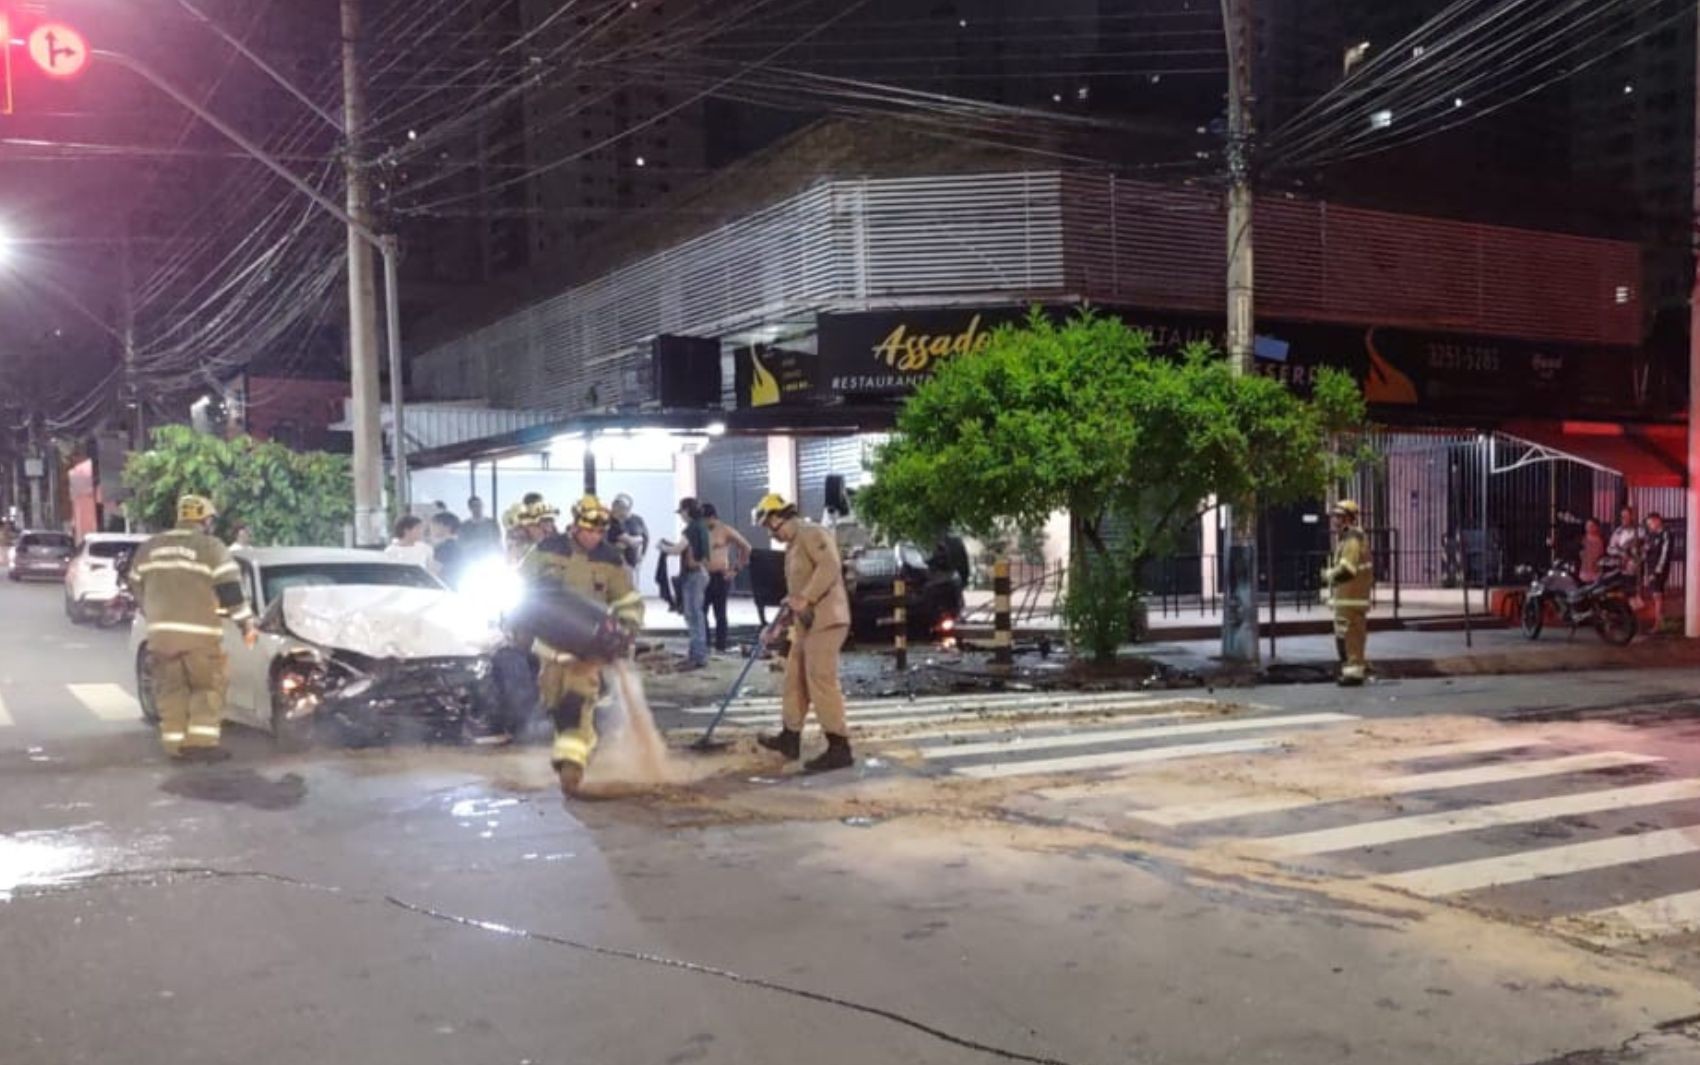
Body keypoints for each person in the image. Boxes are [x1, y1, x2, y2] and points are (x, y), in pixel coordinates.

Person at [514, 497, 644, 797]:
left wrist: (627, 629)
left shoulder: (610, 559)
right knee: (554, 701)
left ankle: (572, 765)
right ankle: (578, 745)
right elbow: (520, 586)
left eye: (600, 532)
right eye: (589, 531)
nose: (594, 537)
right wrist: (518, 621)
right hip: (550, 644)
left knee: (578, 702)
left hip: (588, 646)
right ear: (575, 525)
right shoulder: (546, 551)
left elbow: (628, 601)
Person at [129, 495, 257, 762]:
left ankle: (175, 746)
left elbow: (135, 585)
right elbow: (230, 591)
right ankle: (201, 743)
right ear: (206, 520)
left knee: (170, 690)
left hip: (161, 639)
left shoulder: (150, 547)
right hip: (200, 638)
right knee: (207, 688)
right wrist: (246, 623)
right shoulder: (211, 547)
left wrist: (152, 613)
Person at [752, 493, 854, 772]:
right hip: (807, 623)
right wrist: (776, 628)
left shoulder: (812, 533)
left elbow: (830, 566)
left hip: (828, 620)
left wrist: (806, 597)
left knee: (820, 678)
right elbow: (795, 598)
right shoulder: (793, 547)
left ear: (778, 517)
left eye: (770, 527)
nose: (773, 535)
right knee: (794, 676)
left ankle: (839, 746)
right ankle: (790, 737)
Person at [1322, 500, 1372, 687]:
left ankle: (1354, 673)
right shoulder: (1347, 537)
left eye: (1339, 516)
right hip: (1347, 598)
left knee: (1351, 636)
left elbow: (1347, 569)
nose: (1335, 520)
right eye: (1335, 516)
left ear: (1348, 518)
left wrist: (1328, 576)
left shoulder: (1353, 538)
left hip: (1353, 598)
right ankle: (1350, 670)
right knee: (1345, 635)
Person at [661, 498, 711, 669]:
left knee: (693, 616)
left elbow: (677, 550)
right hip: (701, 573)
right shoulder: (702, 526)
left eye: (682, 512)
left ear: (687, 511)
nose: (681, 515)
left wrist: (662, 547)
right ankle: (696, 653)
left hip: (694, 575)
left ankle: (698, 656)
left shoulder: (691, 528)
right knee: (696, 615)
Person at [702, 503, 753, 653]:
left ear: (711, 517)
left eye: (704, 519)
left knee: (720, 613)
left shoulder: (724, 530)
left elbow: (746, 547)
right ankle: (704, 646)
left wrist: (735, 569)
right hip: (702, 577)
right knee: (701, 612)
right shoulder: (699, 531)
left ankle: (721, 646)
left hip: (719, 576)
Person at [1643, 511, 1672, 632]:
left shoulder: (1666, 534)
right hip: (1650, 567)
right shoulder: (1651, 535)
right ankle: (1660, 619)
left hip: (1658, 569)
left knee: (1657, 594)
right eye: (1648, 524)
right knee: (1655, 594)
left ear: (1657, 520)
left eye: (1650, 523)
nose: (1649, 526)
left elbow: (1665, 554)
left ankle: (1658, 624)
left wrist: (1657, 571)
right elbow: (1647, 550)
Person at [609, 493, 650, 572]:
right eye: (615, 505)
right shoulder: (613, 522)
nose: (616, 509)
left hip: (633, 565)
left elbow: (646, 537)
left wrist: (642, 555)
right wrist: (639, 539)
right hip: (616, 566)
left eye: (620, 506)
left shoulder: (638, 520)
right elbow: (630, 542)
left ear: (627, 508)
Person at [1609, 506, 1644, 579]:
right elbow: (1610, 549)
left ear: (1632, 517)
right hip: (1621, 567)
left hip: (1636, 568)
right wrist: (1620, 553)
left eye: (1626, 516)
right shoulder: (1618, 532)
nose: (1624, 519)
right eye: (1622, 516)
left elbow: (1645, 547)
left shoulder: (1640, 531)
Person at [431, 512, 466, 586]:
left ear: (446, 527)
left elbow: (432, 572)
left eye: (434, 525)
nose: (431, 528)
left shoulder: (445, 547)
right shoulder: (459, 546)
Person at [1579, 518, 1607, 583]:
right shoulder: (1583, 540)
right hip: (1584, 570)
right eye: (1587, 526)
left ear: (1596, 527)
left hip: (1596, 572)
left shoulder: (1601, 540)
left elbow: (1601, 555)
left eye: (1591, 526)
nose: (1589, 528)